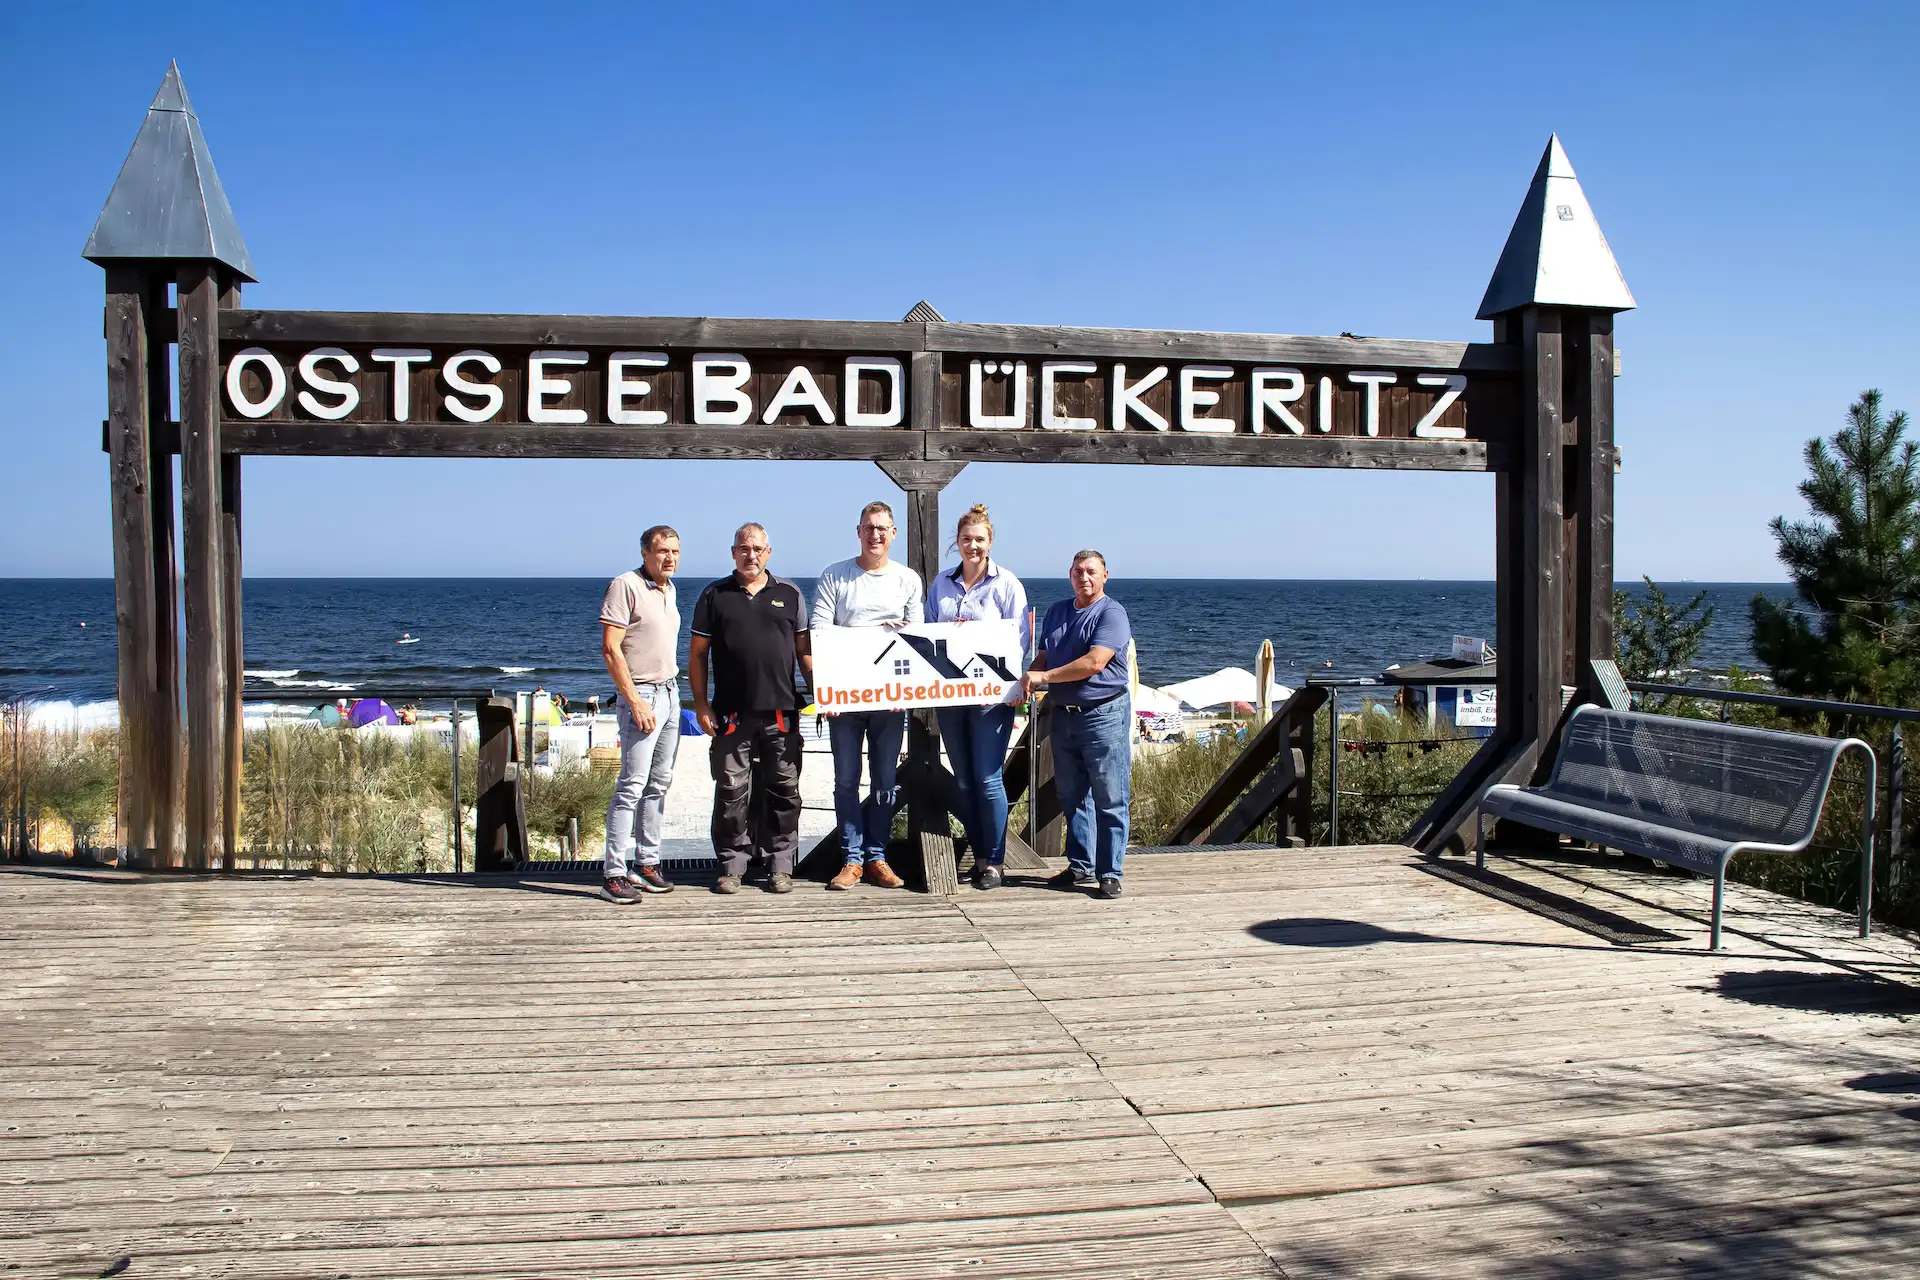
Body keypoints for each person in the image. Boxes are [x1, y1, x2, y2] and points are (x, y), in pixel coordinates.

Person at [690, 522, 813, 895]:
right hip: (731, 715)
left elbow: (804, 652)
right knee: (730, 792)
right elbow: (697, 656)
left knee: (785, 792)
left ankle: (780, 865)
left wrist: (825, 693)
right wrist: (700, 704)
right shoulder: (714, 595)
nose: (751, 555)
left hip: (782, 714)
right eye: (744, 548)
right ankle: (731, 866)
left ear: (769, 552)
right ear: (733, 552)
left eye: (758, 549)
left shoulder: (790, 594)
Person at [811, 501, 923, 890]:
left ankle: (877, 856)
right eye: (868, 527)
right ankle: (851, 860)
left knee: (884, 782)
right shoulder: (835, 576)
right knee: (845, 781)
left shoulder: (908, 579)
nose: (875, 534)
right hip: (845, 699)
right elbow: (819, 631)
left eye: (882, 528)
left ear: (893, 534)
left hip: (890, 701)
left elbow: (917, 641)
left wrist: (904, 686)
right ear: (858, 531)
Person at [1020, 550, 1132, 899]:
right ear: (1070, 574)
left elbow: (1094, 662)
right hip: (1064, 715)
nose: (1084, 577)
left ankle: (1110, 871)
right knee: (1071, 794)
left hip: (1104, 714)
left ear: (1105, 576)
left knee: (1110, 796)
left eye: (1091, 572)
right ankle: (1080, 864)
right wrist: (1024, 678)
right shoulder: (1056, 611)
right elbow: (1044, 655)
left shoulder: (1112, 613)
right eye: (1078, 571)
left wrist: (1046, 677)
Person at [927, 504, 1027, 891]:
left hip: (991, 698)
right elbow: (928, 635)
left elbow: (1019, 640)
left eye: (979, 539)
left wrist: (1015, 687)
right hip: (951, 695)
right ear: (957, 541)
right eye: (966, 539)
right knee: (965, 782)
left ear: (991, 542)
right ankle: (979, 855)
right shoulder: (940, 584)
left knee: (987, 779)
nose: (973, 545)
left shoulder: (1007, 584)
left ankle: (994, 862)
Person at [598, 524, 683, 903]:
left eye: (676, 552)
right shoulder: (625, 585)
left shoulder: (669, 588)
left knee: (658, 784)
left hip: (670, 691)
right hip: (643, 695)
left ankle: (647, 863)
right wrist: (634, 701)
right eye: (663, 551)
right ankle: (614, 873)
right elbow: (611, 649)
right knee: (631, 786)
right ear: (646, 552)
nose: (670, 558)